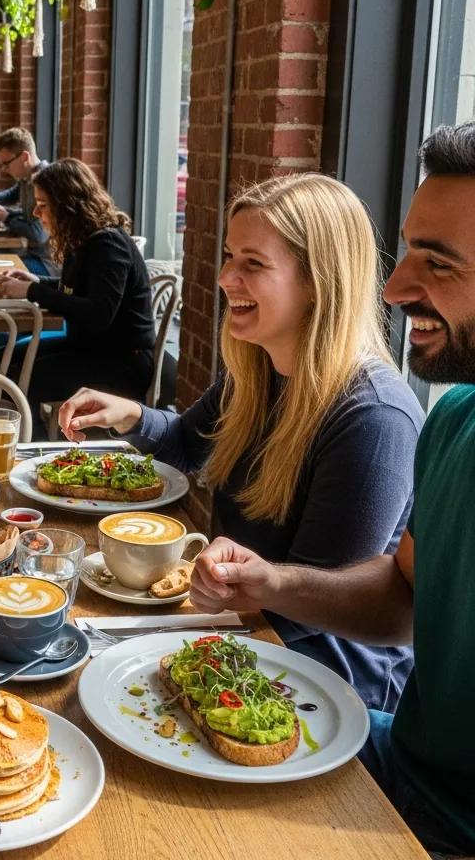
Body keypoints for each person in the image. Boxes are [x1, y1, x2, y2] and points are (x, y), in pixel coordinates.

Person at [187, 128, 475, 858]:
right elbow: (400, 598)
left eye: (437, 264)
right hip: (397, 761)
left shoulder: (376, 413)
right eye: (407, 250)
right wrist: (272, 581)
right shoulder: (457, 417)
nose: (394, 287)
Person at [58, 173, 423, 712]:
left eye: (253, 263)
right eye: (231, 256)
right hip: (247, 635)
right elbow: (186, 442)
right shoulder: (259, 372)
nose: (226, 276)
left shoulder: (373, 416)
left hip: (325, 687)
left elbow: (314, 607)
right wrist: (130, 415)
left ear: (318, 281)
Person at [0, 158, 156, 433]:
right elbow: (80, 289)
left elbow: (98, 314)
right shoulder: (85, 239)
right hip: (93, 349)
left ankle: (34, 449)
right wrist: (36, 280)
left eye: (43, 205)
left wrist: (32, 291)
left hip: (122, 362)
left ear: (68, 206)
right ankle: (33, 436)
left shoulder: (107, 244)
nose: (35, 213)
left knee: (12, 377)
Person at [0, 127, 58, 278]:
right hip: (30, 252)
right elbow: (10, 195)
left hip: (46, 264)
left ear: (25, 157)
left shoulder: (47, 183)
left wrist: (4, 216)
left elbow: (38, 234)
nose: (4, 170)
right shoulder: (27, 177)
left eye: (6, 164)